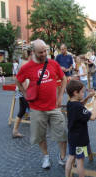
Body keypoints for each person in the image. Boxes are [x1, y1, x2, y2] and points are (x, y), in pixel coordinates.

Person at [16, 39, 68, 169]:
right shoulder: (27, 67)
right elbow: (18, 80)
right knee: (40, 135)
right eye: (41, 52)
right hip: (37, 108)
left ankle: (62, 157)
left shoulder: (53, 63)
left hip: (54, 107)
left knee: (62, 133)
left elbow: (64, 78)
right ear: (33, 52)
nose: (44, 54)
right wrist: (25, 93)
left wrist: (60, 96)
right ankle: (46, 157)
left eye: (45, 51)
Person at [64, 80, 96, 177]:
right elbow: (92, 117)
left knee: (71, 157)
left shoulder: (70, 103)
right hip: (81, 140)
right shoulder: (79, 108)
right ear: (75, 93)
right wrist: (95, 105)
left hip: (72, 138)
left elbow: (80, 104)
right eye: (82, 92)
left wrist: (88, 97)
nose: (83, 93)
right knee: (80, 161)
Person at [12, 49, 32, 138]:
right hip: (24, 90)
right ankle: (39, 131)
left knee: (22, 110)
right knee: (35, 109)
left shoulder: (23, 62)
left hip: (21, 90)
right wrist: (26, 92)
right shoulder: (26, 63)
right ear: (30, 55)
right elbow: (23, 79)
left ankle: (15, 131)